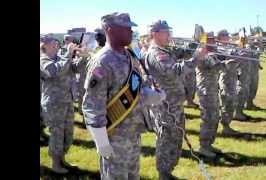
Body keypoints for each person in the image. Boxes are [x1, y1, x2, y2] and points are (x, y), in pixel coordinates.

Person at [82, 12, 164, 180]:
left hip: (133, 134)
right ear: (110, 30)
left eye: (131, 28)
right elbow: (91, 105)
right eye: (126, 28)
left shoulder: (130, 56)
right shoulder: (102, 62)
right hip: (113, 138)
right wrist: (101, 141)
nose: (131, 31)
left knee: (133, 176)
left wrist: (149, 95)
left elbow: (134, 88)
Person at [144, 20, 207, 179]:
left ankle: (168, 171)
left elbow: (182, 53)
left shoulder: (164, 50)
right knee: (166, 140)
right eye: (166, 32)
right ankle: (163, 173)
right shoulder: (156, 53)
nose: (169, 35)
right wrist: (196, 59)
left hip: (173, 105)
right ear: (155, 34)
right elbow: (173, 71)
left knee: (175, 139)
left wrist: (194, 43)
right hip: (165, 107)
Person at [40, 35, 80, 173]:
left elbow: (75, 68)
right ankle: (55, 165)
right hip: (53, 103)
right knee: (57, 134)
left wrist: (83, 57)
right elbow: (54, 71)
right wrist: (68, 55)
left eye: (56, 42)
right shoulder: (43, 59)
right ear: (44, 45)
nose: (57, 44)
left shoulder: (59, 57)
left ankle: (63, 160)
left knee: (67, 133)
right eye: (53, 42)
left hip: (66, 100)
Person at [216, 30, 243, 135]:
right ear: (221, 37)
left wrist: (240, 51)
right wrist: (236, 54)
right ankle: (225, 126)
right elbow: (226, 59)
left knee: (231, 103)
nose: (228, 37)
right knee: (226, 103)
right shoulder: (218, 48)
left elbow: (238, 61)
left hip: (232, 78)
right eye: (226, 36)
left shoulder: (229, 47)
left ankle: (227, 125)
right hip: (225, 79)